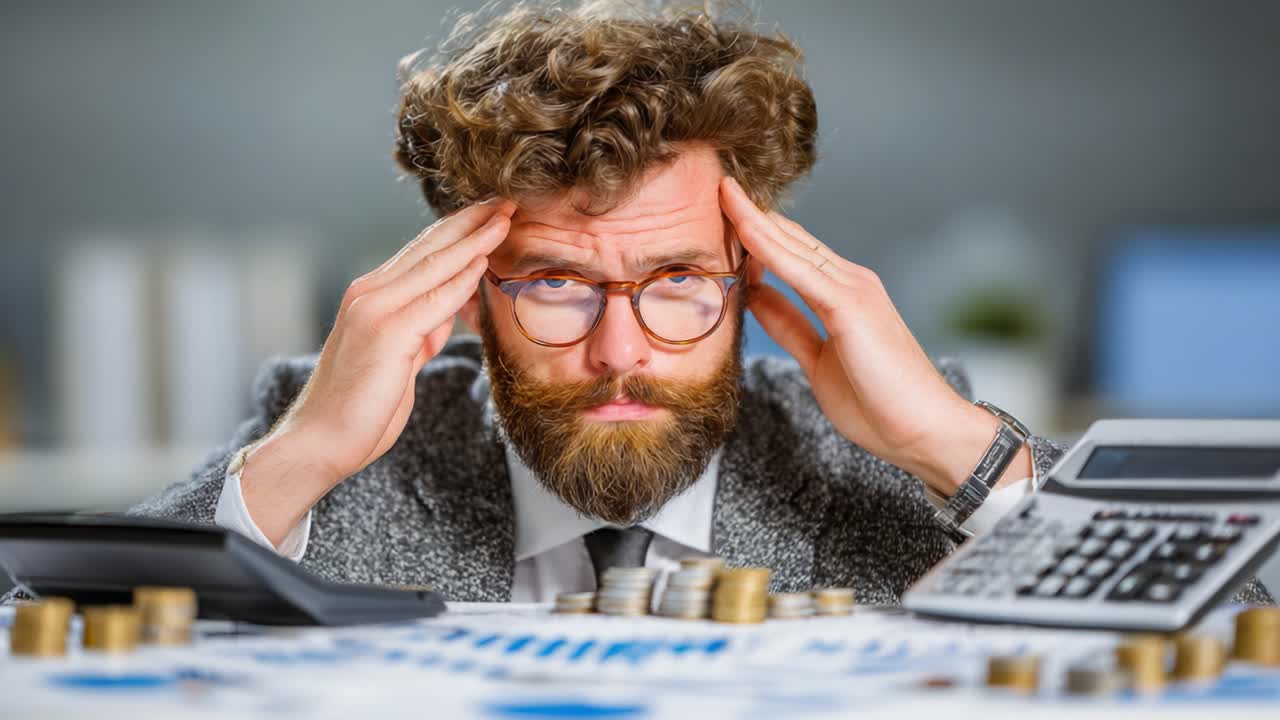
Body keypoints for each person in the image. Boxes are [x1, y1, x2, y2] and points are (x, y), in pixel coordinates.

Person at [132, 1, 1269, 605]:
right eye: (556, 285)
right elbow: (39, 636)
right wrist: (302, 457)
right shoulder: (333, 444)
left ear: (749, 279)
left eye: (675, 281)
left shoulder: (904, 455)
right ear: (469, 292)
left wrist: (951, 445)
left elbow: (1244, 629)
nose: (618, 349)